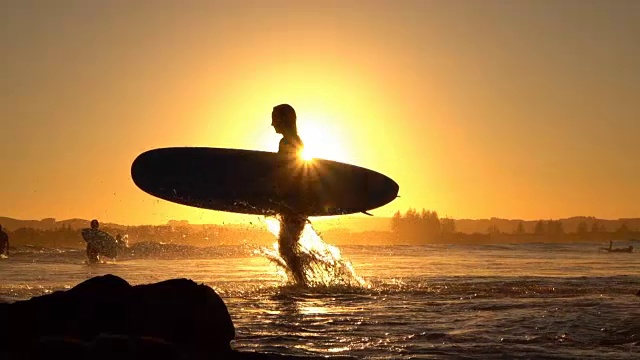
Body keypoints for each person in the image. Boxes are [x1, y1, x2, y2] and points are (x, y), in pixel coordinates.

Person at [271, 104, 308, 285]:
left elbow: (289, 172)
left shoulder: (287, 142)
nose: (271, 124)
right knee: (287, 248)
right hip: (295, 204)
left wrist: (280, 198)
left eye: (274, 118)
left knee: (286, 249)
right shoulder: (294, 140)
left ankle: (302, 284)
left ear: (283, 119)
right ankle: (302, 283)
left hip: (294, 204)